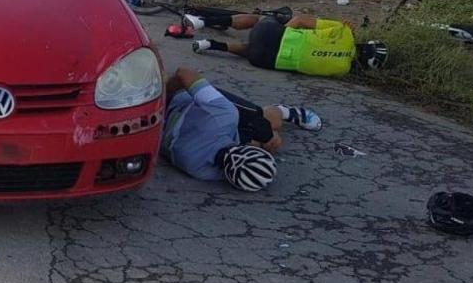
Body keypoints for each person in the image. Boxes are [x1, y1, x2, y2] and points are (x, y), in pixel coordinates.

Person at [161, 67, 321, 192]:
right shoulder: (203, 172)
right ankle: (284, 112)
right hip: (176, 121)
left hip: (178, 107)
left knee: (268, 128)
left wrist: (164, 94)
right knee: (264, 125)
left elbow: (183, 72)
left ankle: (276, 115)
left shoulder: (224, 117)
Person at [182, 12, 389, 77]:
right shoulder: (341, 71)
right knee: (252, 50)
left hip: (274, 36)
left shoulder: (345, 32)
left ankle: (204, 22)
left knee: (257, 20)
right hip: (266, 60)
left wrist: (283, 31)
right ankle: (210, 45)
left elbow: (300, 20)